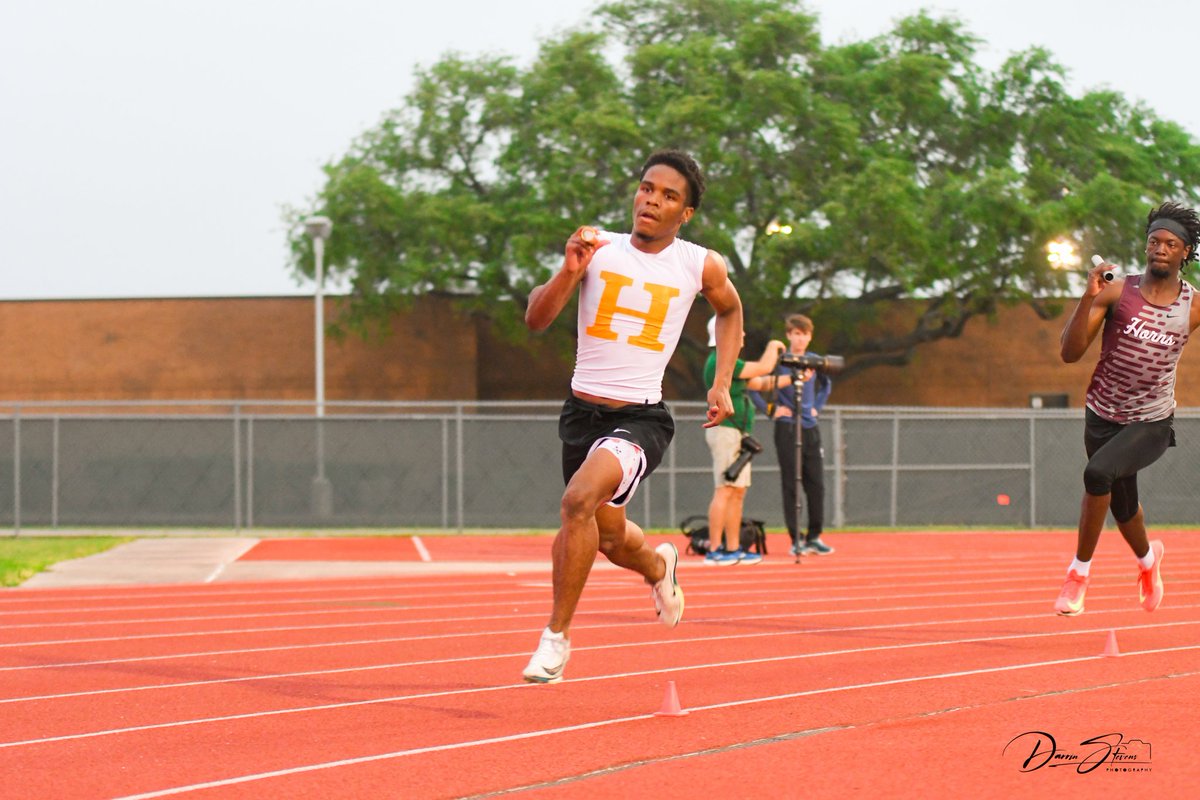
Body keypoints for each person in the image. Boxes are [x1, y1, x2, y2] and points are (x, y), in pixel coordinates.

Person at [520, 148, 744, 683]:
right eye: (648, 188)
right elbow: (536, 318)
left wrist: (722, 381)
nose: (652, 200)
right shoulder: (596, 247)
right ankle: (658, 565)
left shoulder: (699, 263)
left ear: (684, 213)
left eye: (668, 196)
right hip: (582, 414)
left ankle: (556, 640)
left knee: (576, 502)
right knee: (612, 537)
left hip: (641, 420)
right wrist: (569, 270)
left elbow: (731, 309)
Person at [1054, 201, 1200, 617]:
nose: (1160, 249)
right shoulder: (1119, 291)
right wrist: (1089, 296)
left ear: (1185, 252)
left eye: (1171, 243)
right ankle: (1149, 563)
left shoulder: (1193, 305)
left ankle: (1077, 575)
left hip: (1151, 421)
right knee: (1121, 505)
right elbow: (1069, 353)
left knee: (1097, 473)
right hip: (1102, 414)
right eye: (1154, 241)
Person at [702, 316, 785, 565]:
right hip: (726, 430)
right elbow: (762, 369)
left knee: (737, 491)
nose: (742, 337)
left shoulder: (730, 364)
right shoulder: (720, 361)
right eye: (738, 332)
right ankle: (715, 548)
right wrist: (773, 347)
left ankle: (733, 547)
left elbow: (760, 382)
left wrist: (798, 377)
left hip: (737, 433)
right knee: (725, 489)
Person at [751, 313, 833, 556]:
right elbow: (754, 386)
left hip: (810, 426)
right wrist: (771, 409)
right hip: (787, 426)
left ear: (810, 336)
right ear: (788, 335)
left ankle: (815, 536)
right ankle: (796, 538)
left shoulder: (814, 361)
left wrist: (818, 405)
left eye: (805, 334)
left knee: (816, 483)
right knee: (791, 483)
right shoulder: (779, 360)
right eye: (796, 333)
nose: (801, 338)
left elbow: (827, 384)